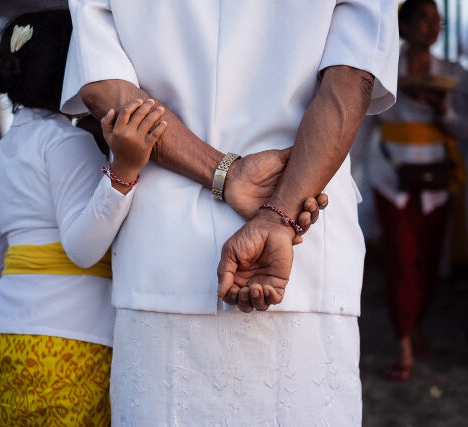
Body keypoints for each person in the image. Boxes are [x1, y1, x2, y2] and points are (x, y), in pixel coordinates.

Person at [61, 0, 399, 424]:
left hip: (164, 255)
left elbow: (108, 90)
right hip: (305, 245)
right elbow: (351, 79)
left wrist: (227, 173)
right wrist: (279, 215)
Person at [0, 9, 168, 425]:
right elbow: (82, 248)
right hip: (70, 340)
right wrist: (124, 171)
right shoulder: (65, 144)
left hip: (4, 337)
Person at [366, 0, 468, 381]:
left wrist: (444, 110)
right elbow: (363, 126)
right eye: (423, 20)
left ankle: (418, 324)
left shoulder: (453, 74)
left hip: (438, 177)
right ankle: (404, 341)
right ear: (402, 25)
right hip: (391, 176)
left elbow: (464, 130)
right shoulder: (384, 68)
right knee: (402, 260)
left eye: (437, 20)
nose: (432, 27)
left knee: (428, 259)